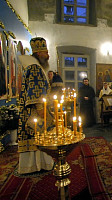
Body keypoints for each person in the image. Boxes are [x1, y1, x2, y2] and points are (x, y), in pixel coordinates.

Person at [17, 37, 54, 174]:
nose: (48, 55)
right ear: (39, 54)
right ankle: (39, 165)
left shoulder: (33, 66)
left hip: (34, 110)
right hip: (36, 112)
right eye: (46, 52)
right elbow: (36, 93)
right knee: (39, 137)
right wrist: (43, 114)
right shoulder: (35, 68)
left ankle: (35, 165)